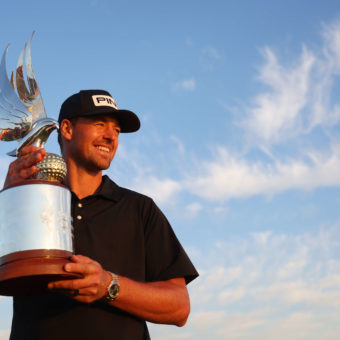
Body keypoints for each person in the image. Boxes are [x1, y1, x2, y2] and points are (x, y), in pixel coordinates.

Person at [4, 89, 199, 340]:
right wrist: (11, 200)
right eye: (99, 124)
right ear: (67, 129)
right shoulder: (31, 202)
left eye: (116, 130)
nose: (110, 136)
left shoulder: (139, 208)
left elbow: (179, 307)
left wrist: (109, 286)